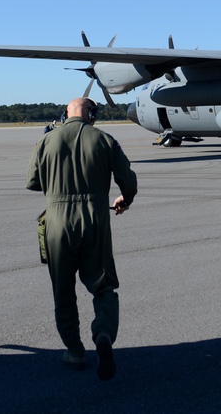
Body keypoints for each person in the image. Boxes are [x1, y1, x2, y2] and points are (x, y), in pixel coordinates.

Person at [26, 97, 138, 380]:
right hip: (95, 219)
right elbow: (128, 180)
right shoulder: (105, 140)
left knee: (63, 290)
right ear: (91, 114)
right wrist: (125, 198)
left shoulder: (46, 141)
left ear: (66, 113)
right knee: (103, 286)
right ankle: (102, 334)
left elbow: (33, 182)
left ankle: (75, 351)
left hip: (57, 221)